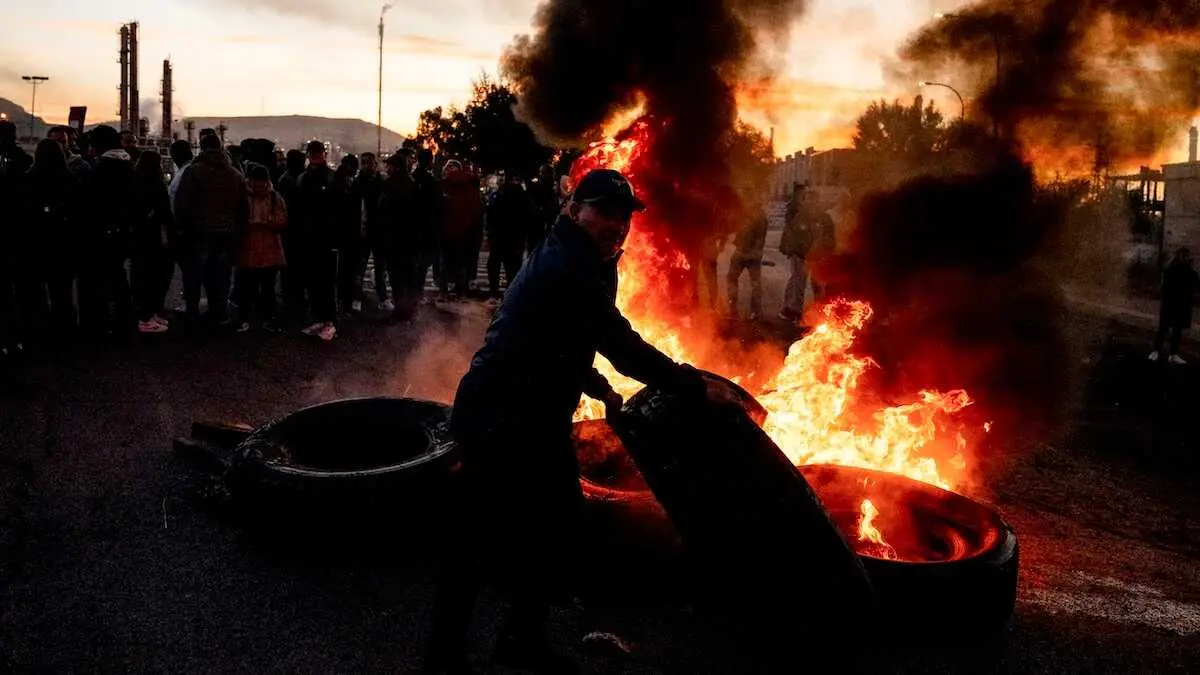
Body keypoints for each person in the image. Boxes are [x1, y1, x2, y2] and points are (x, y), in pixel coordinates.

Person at [424, 168, 743, 675]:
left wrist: (595, 386)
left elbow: (562, 338)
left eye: (623, 217)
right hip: (500, 415)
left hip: (535, 414)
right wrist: (691, 383)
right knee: (482, 537)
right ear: (574, 209)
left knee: (553, 529)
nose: (616, 225)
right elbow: (618, 343)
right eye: (604, 212)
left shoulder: (588, 259)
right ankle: (449, 655)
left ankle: (516, 640)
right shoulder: (567, 265)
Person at [173, 132, 248, 328]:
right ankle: (220, 313)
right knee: (221, 275)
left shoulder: (193, 171)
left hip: (198, 232)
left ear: (202, 147)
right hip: (226, 234)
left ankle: (192, 314)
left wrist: (181, 230)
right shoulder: (236, 175)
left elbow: (182, 204)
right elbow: (243, 209)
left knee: (194, 276)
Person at [233, 163, 288, 332]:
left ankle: (264, 318)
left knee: (266, 289)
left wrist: (261, 224)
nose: (259, 185)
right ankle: (248, 318)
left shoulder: (274, 197)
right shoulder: (244, 197)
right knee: (248, 288)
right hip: (252, 250)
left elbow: (282, 220)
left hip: (265, 251)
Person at [293, 140, 339, 341]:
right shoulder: (304, 178)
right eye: (312, 153)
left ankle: (330, 322)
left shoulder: (331, 178)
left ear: (323, 154)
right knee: (313, 281)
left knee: (326, 282)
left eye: (318, 153)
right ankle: (319, 319)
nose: (315, 156)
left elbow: (339, 210)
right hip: (308, 237)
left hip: (325, 238)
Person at [130, 151, 174, 333]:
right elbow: (165, 214)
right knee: (154, 277)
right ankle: (146, 317)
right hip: (154, 238)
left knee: (141, 275)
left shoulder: (133, 183)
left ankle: (146, 314)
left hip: (138, 237)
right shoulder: (157, 185)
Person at [377, 149, 421, 320]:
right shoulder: (411, 185)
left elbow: (383, 213)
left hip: (394, 239)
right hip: (409, 239)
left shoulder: (389, 186)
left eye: (389, 166)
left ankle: (400, 310)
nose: (387, 168)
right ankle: (409, 309)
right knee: (409, 275)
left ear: (395, 168)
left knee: (396, 277)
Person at [485, 170, 535, 300]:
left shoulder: (499, 195)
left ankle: (494, 292)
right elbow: (529, 216)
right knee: (512, 265)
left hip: (499, 234)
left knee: (496, 263)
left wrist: (490, 231)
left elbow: (490, 213)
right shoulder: (522, 197)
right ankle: (511, 292)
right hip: (514, 235)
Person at [1149, 247, 1200, 365]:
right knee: (1164, 329)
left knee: (1176, 331)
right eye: (1185, 256)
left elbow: (1196, 286)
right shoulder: (1171, 269)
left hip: (1181, 305)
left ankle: (1173, 354)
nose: (1187, 258)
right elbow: (1165, 287)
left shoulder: (1188, 271)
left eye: (1187, 256)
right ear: (1179, 256)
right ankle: (1156, 351)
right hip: (1170, 304)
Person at [355, 152, 389, 311]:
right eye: (364, 162)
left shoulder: (379, 183)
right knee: (362, 266)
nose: (367, 165)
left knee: (377, 266)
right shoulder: (360, 182)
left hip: (377, 229)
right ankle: (359, 296)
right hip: (368, 229)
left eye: (369, 162)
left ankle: (380, 297)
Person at [726, 199, 768, 320]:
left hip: (743, 253)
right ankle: (755, 312)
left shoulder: (750, 215)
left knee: (732, 279)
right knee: (754, 283)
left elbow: (738, 230)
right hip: (751, 253)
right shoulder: (760, 216)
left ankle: (734, 310)